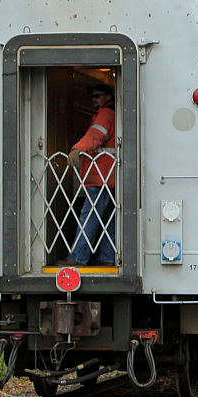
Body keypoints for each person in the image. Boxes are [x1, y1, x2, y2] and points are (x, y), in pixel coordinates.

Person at [61, 83, 116, 267]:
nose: (94, 100)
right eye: (92, 96)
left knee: (90, 216)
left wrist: (77, 148)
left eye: (97, 96)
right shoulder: (112, 114)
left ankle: (78, 257)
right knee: (108, 218)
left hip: (100, 175)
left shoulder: (105, 114)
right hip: (109, 176)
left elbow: (96, 136)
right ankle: (107, 258)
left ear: (108, 97)